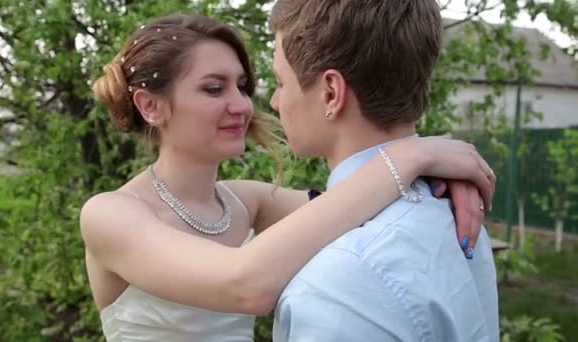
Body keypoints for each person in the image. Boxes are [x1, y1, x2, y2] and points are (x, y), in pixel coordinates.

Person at [81, 14, 495, 341]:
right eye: (213, 89)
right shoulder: (110, 215)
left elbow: (356, 205)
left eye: (242, 86)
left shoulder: (245, 202)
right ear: (151, 106)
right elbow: (244, 284)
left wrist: (437, 177)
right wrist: (412, 156)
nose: (242, 105)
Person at [268, 1, 499, 341]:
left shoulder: (339, 286)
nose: (274, 101)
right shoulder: (454, 209)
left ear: (331, 93)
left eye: (279, 82)